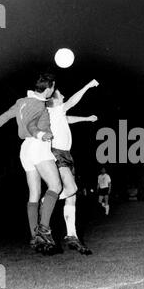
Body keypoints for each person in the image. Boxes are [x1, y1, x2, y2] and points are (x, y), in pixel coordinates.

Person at [0, 73, 62, 254]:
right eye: (53, 88)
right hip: (38, 145)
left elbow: (3, 117)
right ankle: (44, 230)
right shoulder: (39, 104)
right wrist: (41, 134)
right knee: (55, 185)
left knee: (34, 193)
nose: (53, 91)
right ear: (48, 89)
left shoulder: (21, 101)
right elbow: (32, 125)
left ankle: (35, 237)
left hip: (25, 149)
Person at [42, 79, 99, 254]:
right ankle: (46, 201)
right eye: (61, 95)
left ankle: (72, 234)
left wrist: (87, 118)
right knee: (72, 189)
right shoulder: (53, 109)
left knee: (71, 196)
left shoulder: (56, 113)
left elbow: (68, 119)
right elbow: (72, 101)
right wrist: (88, 86)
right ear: (55, 100)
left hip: (66, 154)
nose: (64, 96)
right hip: (58, 154)